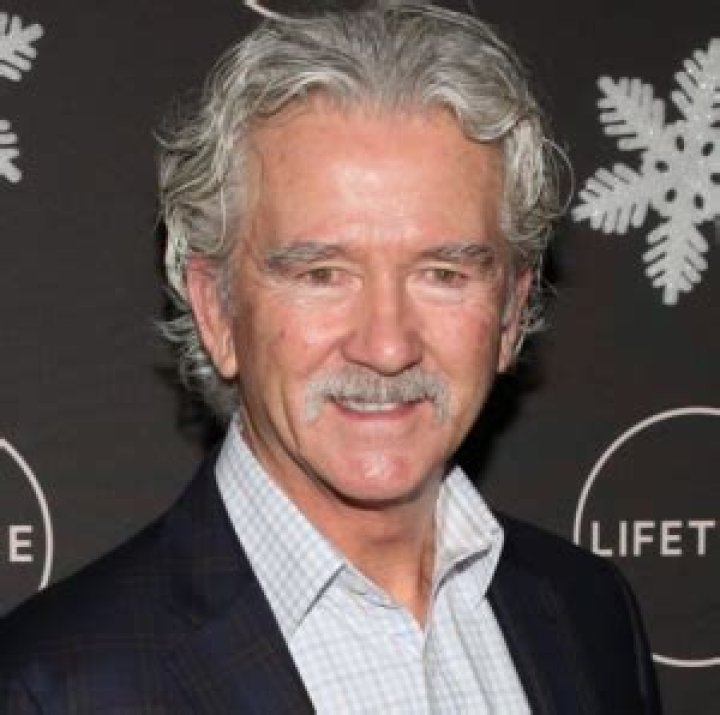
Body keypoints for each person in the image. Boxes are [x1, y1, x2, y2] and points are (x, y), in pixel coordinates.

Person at [0, 3, 661, 712]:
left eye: (443, 273)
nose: (387, 346)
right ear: (216, 309)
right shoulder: (55, 687)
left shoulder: (588, 614)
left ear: (510, 311)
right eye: (322, 274)